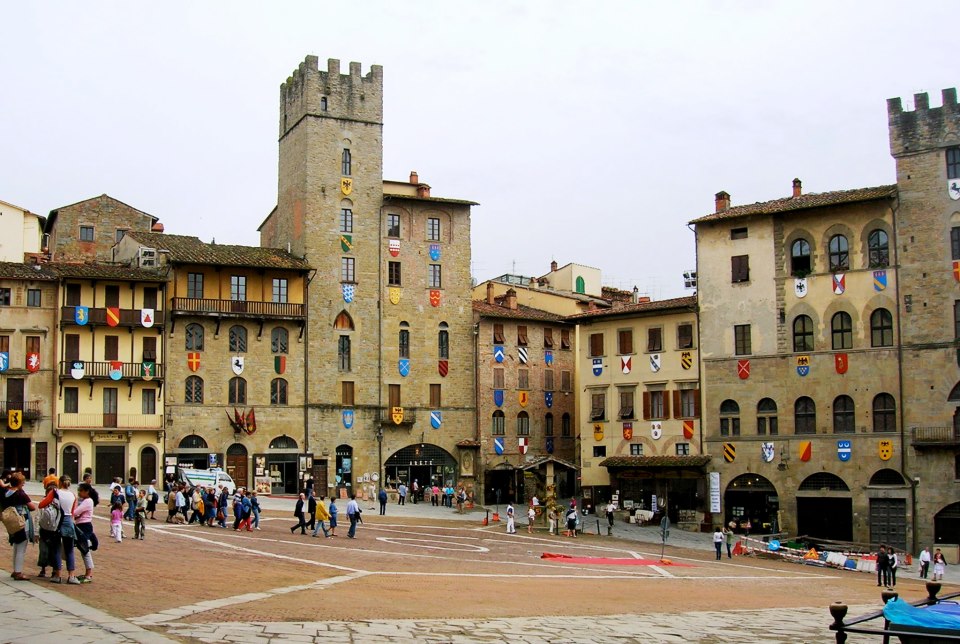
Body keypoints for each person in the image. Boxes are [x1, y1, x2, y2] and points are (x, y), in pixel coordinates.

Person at [40, 476, 80, 585]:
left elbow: (42, 504)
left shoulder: (55, 492)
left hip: (57, 521)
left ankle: (57, 575)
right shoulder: (73, 495)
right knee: (69, 550)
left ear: (60, 482)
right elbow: (72, 512)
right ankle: (71, 576)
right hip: (69, 521)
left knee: (56, 548)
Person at [1, 472, 37, 581]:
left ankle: (15, 569)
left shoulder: (6, 492)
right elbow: (32, 507)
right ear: (19, 483)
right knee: (21, 548)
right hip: (21, 522)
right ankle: (18, 572)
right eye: (23, 482)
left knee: (16, 546)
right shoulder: (20, 494)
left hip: (11, 522)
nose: (24, 484)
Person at [74, 482, 98, 583]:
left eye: (81, 491)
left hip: (84, 526)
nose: (79, 493)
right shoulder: (86, 500)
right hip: (83, 525)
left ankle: (88, 574)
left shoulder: (88, 501)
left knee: (85, 550)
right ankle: (87, 573)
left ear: (86, 491)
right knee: (83, 549)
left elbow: (75, 512)